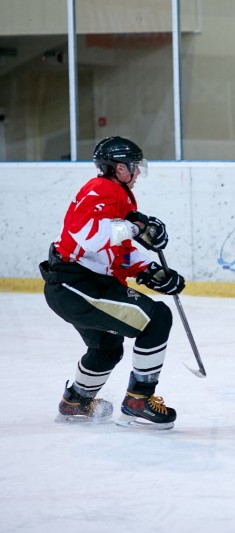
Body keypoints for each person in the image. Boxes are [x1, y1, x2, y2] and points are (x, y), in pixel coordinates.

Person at [39, 136, 186, 430]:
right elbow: (89, 235)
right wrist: (136, 227)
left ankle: (77, 400)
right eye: (134, 166)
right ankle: (138, 400)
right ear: (119, 168)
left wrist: (150, 270)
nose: (138, 172)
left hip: (77, 285)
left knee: (107, 346)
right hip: (76, 284)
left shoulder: (116, 195)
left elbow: (115, 249)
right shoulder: (101, 188)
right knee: (156, 318)